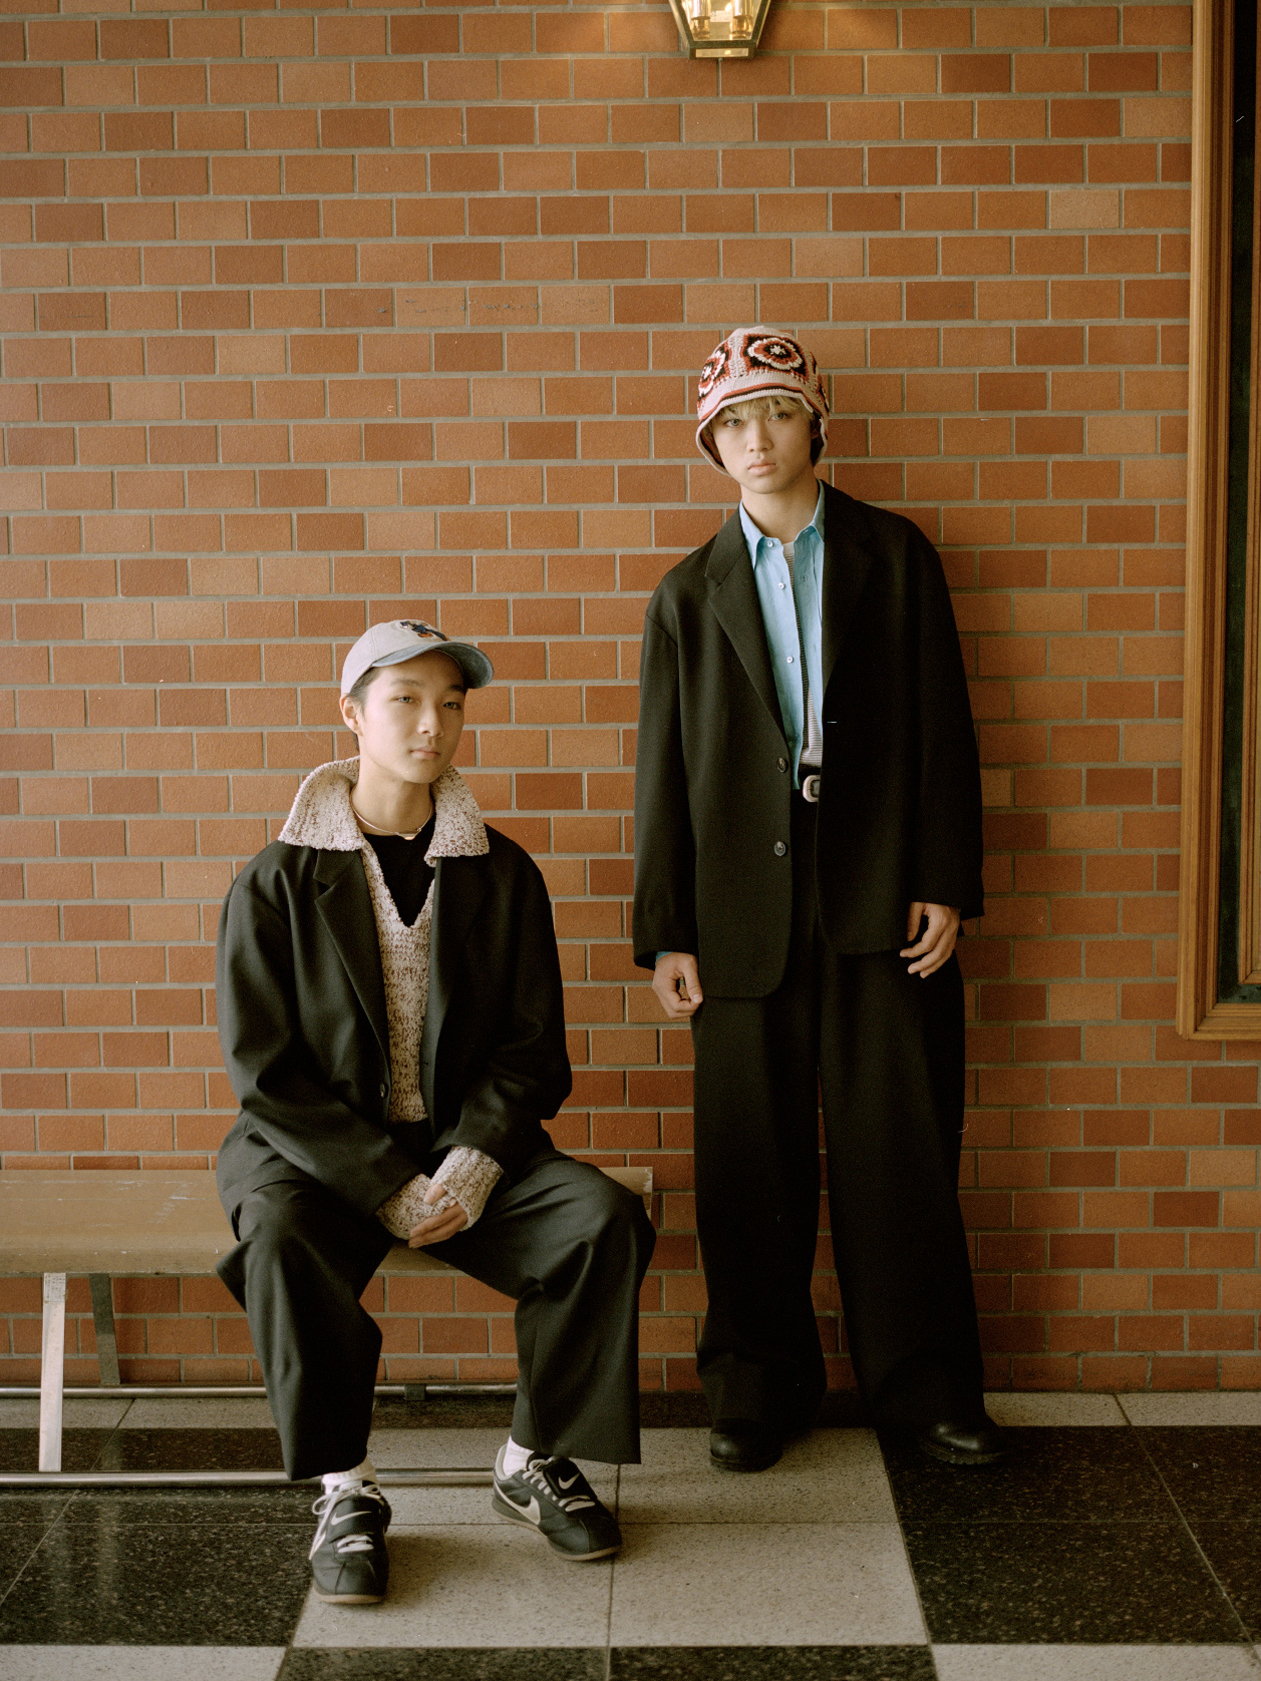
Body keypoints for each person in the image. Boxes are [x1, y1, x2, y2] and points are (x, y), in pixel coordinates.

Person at [215, 618, 656, 1604]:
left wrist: (468, 1167)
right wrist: (386, 1184)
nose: (432, 724)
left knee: (601, 1221)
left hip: (466, 1148)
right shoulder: (277, 879)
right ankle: (346, 1488)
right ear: (351, 714)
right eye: (406, 700)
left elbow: (531, 1051)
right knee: (278, 1236)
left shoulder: (501, 872)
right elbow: (266, 1073)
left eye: (450, 704)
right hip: (316, 1156)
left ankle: (531, 1458)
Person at [632, 328, 1004, 1474]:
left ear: (815, 423)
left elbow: (943, 722)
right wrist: (666, 931)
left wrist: (944, 880)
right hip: (737, 912)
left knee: (901, 1148)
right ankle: (755, 1386)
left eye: (777, 412)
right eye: (732, 422)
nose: (757, 438)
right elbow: (662, 771)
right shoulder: (686, 594)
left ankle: (927, 1388)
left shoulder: (894, 556)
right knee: (749, 1159)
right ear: (710, 444)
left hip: (880, 890)